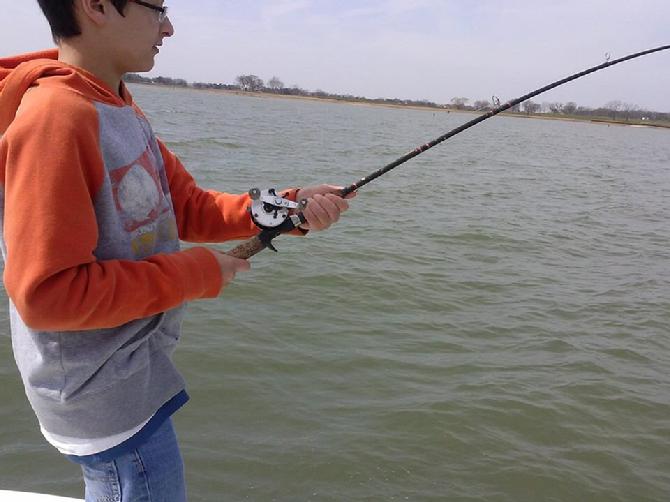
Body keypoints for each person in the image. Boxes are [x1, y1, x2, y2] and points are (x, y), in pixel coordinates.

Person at [0, 1, 353, 500]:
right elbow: (48, 296)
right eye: (156, 8)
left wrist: (286, 208)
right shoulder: (56, 118)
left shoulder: (114, 104)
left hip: (132, 377)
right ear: (96, 6)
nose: (168, 27)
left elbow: (184, 206)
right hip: (100, 394)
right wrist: (195, 273)